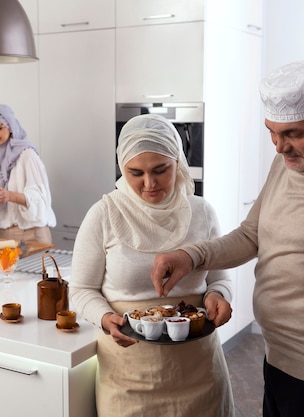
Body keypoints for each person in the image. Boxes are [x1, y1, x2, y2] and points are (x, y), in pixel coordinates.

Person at [151, 60, 304, 417]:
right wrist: (190, 256)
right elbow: (252, 235)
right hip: (277, 359)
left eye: (294, 134)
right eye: (273, 132)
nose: (279, 147)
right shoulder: (288, 164)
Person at [70, 114, 235, 417]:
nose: (149, 184)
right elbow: (81, 288)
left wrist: (217, 297)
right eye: (136, 173)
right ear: (122, 168)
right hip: (129, 370)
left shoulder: (202, 212)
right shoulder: (104, 214)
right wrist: (105, 317)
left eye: (161, 170)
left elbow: (220, 279)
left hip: (199, 367)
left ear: (178, 162)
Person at [0, 104, 56, 244]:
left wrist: (11, 196)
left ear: (10, 127)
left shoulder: (27, 155)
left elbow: (41, 201)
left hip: (32, 234)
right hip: (6, 234)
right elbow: (0, 210)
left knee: (39, 267)